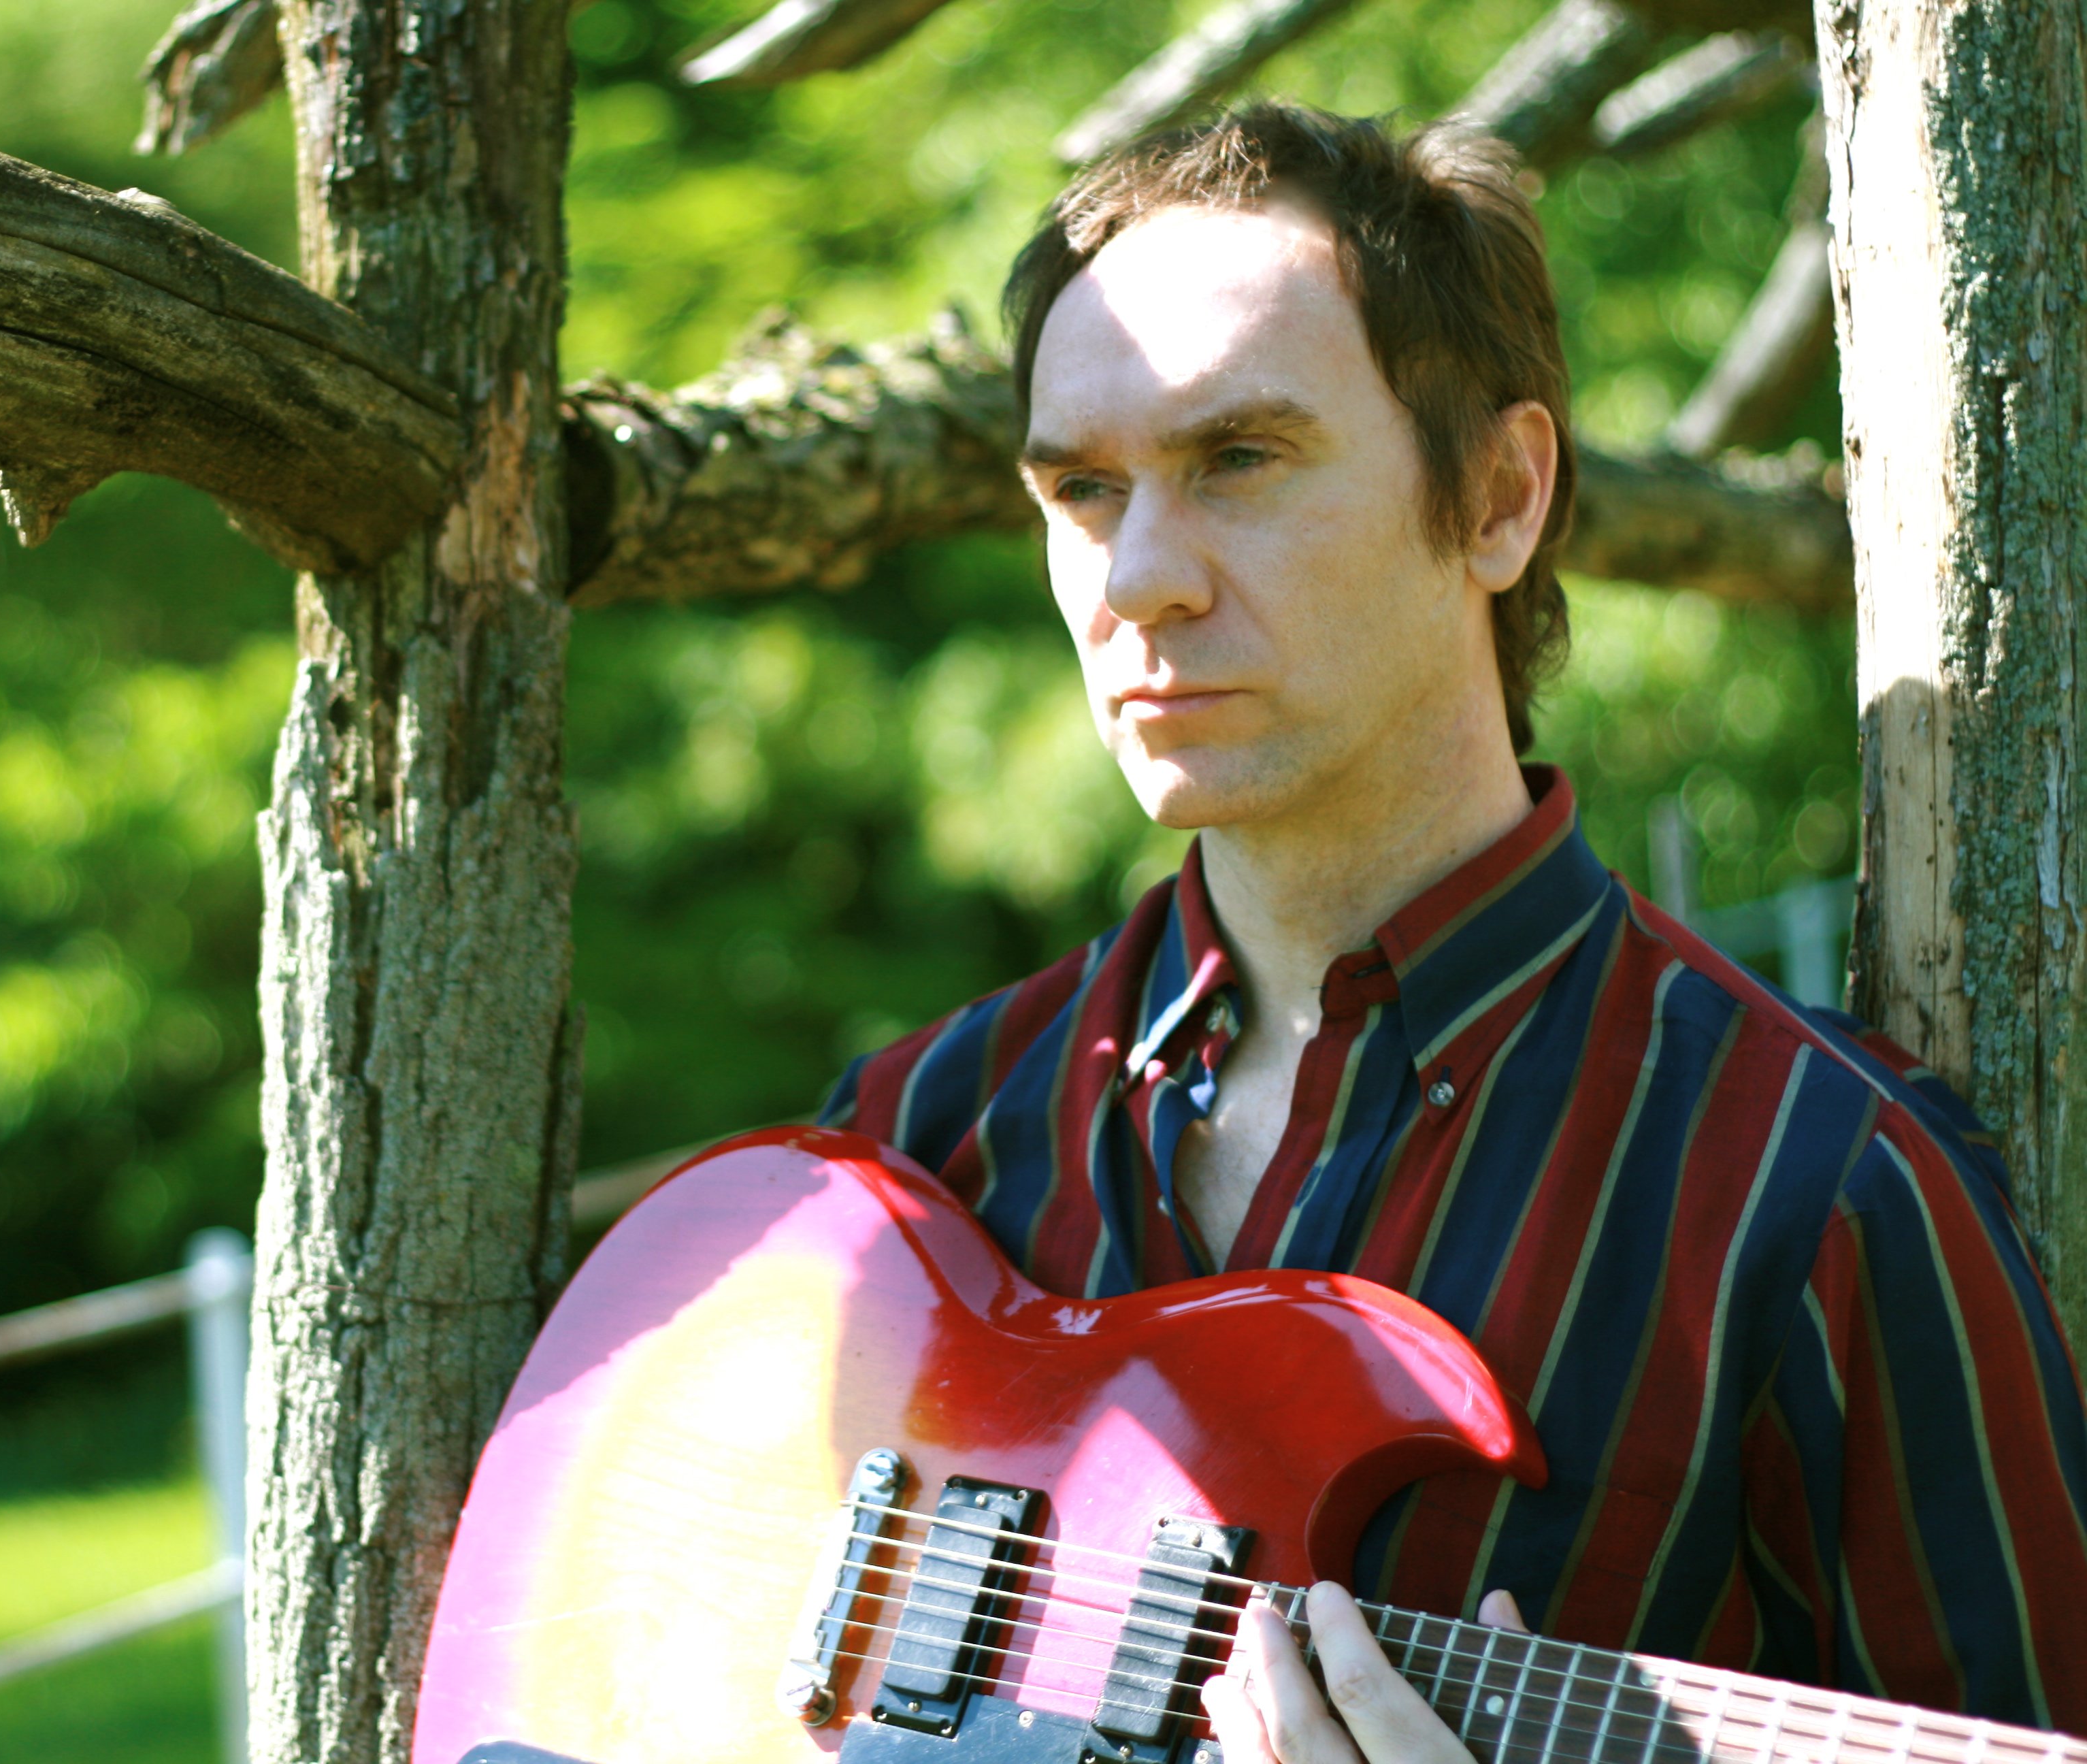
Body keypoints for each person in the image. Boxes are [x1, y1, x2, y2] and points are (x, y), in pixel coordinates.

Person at [815, 104, 2087, 1749]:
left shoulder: (1819, 1190)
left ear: (1498, 493)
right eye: (1084, 489)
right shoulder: (914, 1149)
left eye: (1239, 460)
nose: (1136, 580)